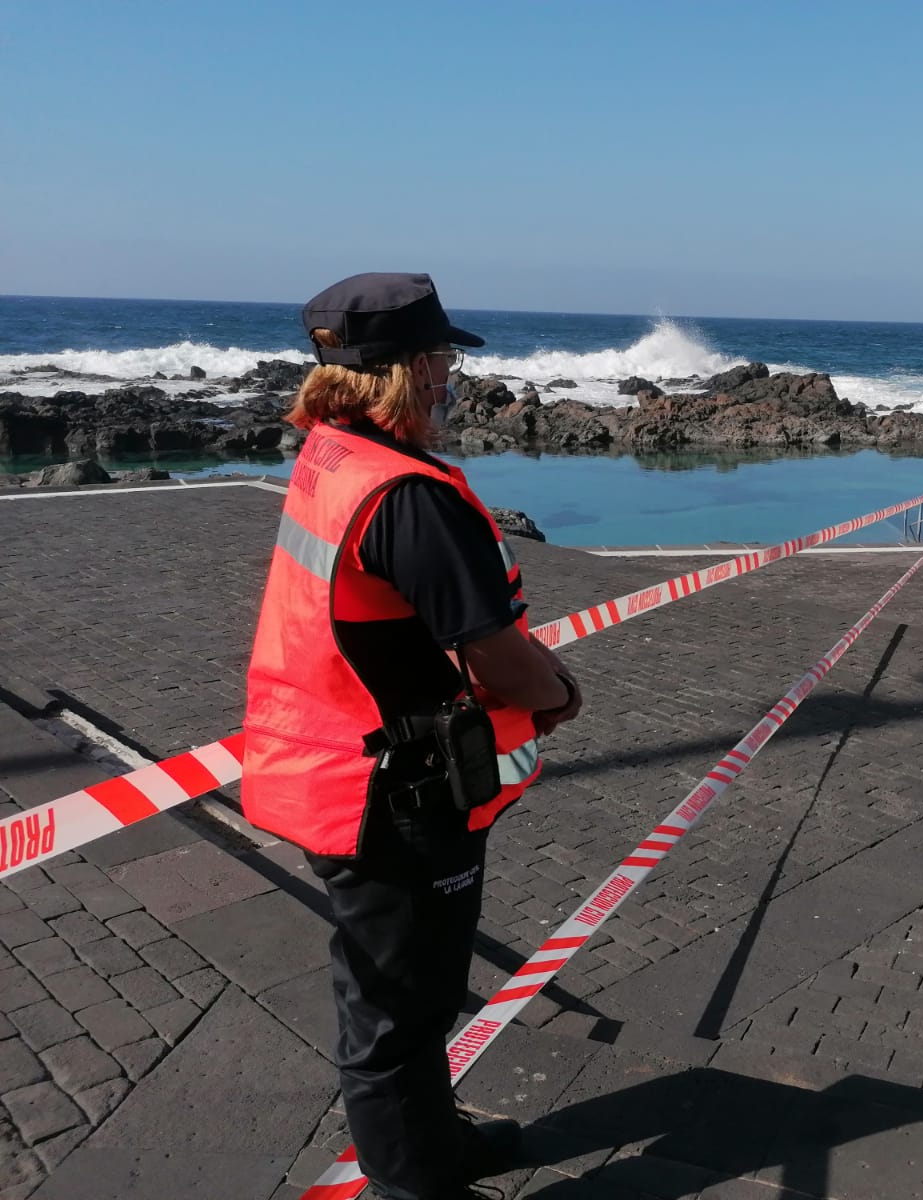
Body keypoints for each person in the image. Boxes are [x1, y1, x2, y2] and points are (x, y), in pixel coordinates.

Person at [241, 273, 583, 1200]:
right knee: (397, 1010)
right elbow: (498, 656)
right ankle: (415, 1186)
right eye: (441, 360)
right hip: (392, 792)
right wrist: (557, 691)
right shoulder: (408, 496)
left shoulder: (331, 454)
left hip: (335, 765)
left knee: (409, 992)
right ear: (402, 372)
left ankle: (431, 1145)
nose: (450, 378)